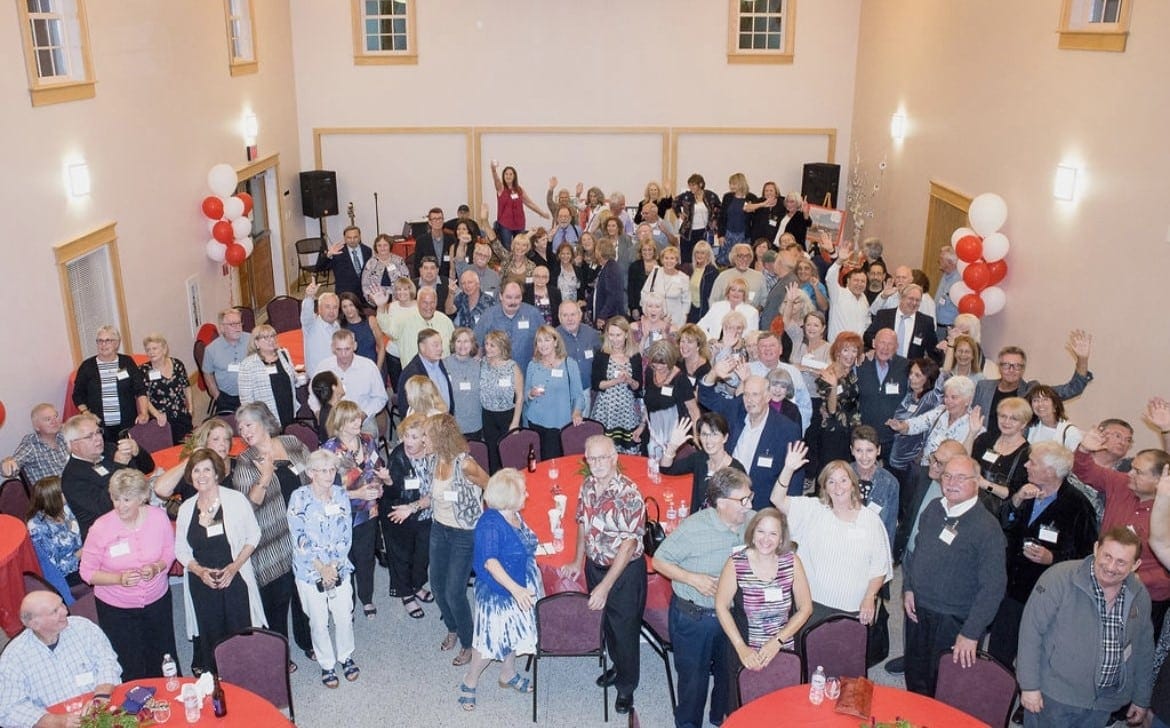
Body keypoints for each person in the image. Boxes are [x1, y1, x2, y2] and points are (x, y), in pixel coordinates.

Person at [652, 467, 758, 728]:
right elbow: (659, 561)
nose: (749, 505)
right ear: (721, 503)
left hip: (731, 617)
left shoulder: (751, 522)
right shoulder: (694, 528)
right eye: (743, 500)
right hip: (694, 618)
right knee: (693, 681)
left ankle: (719, 718)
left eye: (750, 496)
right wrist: (693, 578)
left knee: (728, 675)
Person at [1017, 527, 1153, 727]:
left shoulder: (1139, 594)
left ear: (1135, 565)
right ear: (1096, 548)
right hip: (1054, 697)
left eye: (1121, 562)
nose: (1111, 567)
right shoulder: (1059, 578)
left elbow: (1144, 648)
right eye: (1107, 556)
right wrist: (1029, 686)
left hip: (1103, 704)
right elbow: (1031, 632)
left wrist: (1141, 698)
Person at [901, 454, 1006, 696]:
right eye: (947, 475)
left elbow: (993, 588)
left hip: (954, 619)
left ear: (976, 481)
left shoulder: (987, 528)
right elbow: (916, 551)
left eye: (961, 477)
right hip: (918, 610)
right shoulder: (934, 508)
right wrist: (908, 586)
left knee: (947, 685)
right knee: (916, 675)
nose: (951, 482)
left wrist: (970, 633)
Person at [988, 441, 1098, 668]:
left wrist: (1053, 559)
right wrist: (1016, 500)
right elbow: (1002, 524)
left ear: (1051, 471)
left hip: (1046, 594)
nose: (1026, 465)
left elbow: (1088, 557)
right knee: (999, 650)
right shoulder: (1025, 488)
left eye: (1033, 462)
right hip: (1010, 586)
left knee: (1034, 653)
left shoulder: (1077, 506)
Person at [558, 435, 647, 716]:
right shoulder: (587, 486)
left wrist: (605, 587)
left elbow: (629, 545)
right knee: (607, 624)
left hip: (623, 573)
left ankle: (627, 687)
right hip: (595, 566)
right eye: (591, 458)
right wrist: (576, 560)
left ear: (614, 458)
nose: (596, 464)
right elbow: (583, 523)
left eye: (602, 458)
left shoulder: (629, 494)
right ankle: (617, 667)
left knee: (625, 630)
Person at [771, 450, 893, 634]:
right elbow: (776, 499)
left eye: (843, 480)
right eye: (831, 481)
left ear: (853, 484)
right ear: (824, 487)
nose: (838, 487)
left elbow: (879, 567)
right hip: (810, 605)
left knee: (844, 658)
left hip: (852, 607)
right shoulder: (812, 509)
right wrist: (788, 468)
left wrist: (869, 597)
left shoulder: (871, 521)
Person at [231, 402, 313, 667]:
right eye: (240, 427)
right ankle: (280, 653)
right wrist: (265, 477)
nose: (244, 432)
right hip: (271, 542)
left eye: (248, 424)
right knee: (276, 603)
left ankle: (308, 641)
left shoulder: (291, 442)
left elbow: (312, 470)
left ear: (265, 422)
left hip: (302, 536)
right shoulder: (245, 462)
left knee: (304, 595)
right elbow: (246, 507)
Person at [79, 469, 178, 680]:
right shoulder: (101, 528)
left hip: (157, 600)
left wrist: (157, 567)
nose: (119, 505)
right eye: (115, 498)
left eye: (126, 499)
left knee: (162, 656)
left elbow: (169, 552)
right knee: (130, 661)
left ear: (142, 498)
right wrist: (119, 579)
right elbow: (87, 572)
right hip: (117, 609)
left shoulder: (158, 517)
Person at [174, 448, 266, 674]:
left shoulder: (235, 500)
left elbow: (254, 535)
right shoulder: (186, 509)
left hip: (234, 577)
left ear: (217, 473)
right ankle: (217, 680)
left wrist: (234, 568)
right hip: (202, 582)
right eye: (196, 470)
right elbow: (181, 550)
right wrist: (200, 572)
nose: (201, 475)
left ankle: (245, 678)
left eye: (207, 469)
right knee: (210, 633)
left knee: (240, 631)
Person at [458, 469, 542, 711]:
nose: (527, 493)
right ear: (508, 497)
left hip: (520, 587)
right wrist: (516, 590)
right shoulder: (490, 524)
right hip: (500, 593)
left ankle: (507, 673)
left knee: (513, 634)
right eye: (522, 491)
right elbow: (490, 563)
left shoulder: (512, 514)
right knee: (489, 643)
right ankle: (470, 680)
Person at [714, 507, 813, 711]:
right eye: (761, 531)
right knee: (745, 710)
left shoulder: (792, 562)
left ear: (781, 538)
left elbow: (805, 608)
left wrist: (777, 642)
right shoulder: (736, 563)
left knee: (782, 710)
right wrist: (740, 647)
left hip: (784, 648)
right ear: (752, 532)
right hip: (747, 650)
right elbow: (721, 606)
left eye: (773, 533)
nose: (765, 539)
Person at [1074, 426, 1170, 632]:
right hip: (1101, 585)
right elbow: (1084, 471)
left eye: (1138, 472)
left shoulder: (1166, 513)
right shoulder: (1120, 483)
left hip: (1145, 597)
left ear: (1159, 480)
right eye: (1132, 467)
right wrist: (1084, 449)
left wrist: (1138, 578)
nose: (1130, 473)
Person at [286, 449, 360, 688]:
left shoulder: (340, 495)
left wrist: (334, 565)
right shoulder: (299, 498)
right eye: (322, 471)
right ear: (310, 473)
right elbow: (298, 537)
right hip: (309, 571)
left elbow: (346, 534)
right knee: (318, 622)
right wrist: (321, 567)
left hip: (339, 567)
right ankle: (327, 664)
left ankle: (346, 656)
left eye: (332, 470)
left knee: (343, 617)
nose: (329, 475)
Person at [0, 591, 121, 728]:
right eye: (55, 611)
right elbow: (9, 709)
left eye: (62, 604)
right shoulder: (14, 657)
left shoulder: (84, 628)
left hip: (101, 713)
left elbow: (107, 662)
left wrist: (100, 698)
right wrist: (55, 721)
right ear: (35, 624)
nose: (65, 611)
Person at [427, 413, 490, 668]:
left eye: (428, 437)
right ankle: (452, 626)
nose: (424, 441)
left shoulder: (466, 464)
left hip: (464, 533)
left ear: (441, 439)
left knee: (455, 592)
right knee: (437, 586)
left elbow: (491, 485)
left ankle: (467, 642)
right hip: (439, 529)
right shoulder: (434, 459)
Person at [698, 363, 804, 509]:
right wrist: (713, 373)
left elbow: (794, 477)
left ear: (768, 397)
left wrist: (789, 512)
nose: (749, 400)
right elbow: (706, 397)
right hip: (726, 500)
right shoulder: (736, 410)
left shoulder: (787, 430)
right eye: (746, 394)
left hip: (761, 505)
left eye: (755, 395)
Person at [321, 400, 388, 620]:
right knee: (343, 558)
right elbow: (324, 491)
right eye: (352, 419)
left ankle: (366, 598)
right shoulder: (329, 450)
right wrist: (357, 494)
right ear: (340, 423)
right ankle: (345, 603)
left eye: (359, 417)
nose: (359, 421)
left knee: (365, 556)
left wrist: (379, 487)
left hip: (368, 511)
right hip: (341, 513)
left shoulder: (368, 440)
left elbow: (377, 469)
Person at [972, 332, 1093, 440]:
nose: (1011, 370)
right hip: (982, 445)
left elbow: (1072, 389)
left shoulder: (1031, 391)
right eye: (1006, 365)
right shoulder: (984, 387)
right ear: (999, 366)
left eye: (1017, 366)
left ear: (1023, 369)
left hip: (1014, 454)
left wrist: (1082, 360)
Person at [60, 412, 155, 540]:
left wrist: (137, 450)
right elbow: (107, 506)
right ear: (73, 445)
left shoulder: (110, 449)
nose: (98, 438)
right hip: (108, 535)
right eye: (89, 436)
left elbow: (148, 468)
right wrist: (119, 466)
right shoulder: (72, 477)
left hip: (140, 516)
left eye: (98, 432)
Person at [380, 413, 433, 619]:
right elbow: (392, 495)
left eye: (413, 437)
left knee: (422, 556)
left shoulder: (432, 454)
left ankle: (417, 585)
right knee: (402, 556)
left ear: (424, 438)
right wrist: (388, 482)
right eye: (405, 436)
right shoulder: (398, 457)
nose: (407, 442)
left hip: (426, 513)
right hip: (399, 514)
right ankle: (406, 594)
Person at [71, 325, 149, 443]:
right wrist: (86, 413)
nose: (103, 344)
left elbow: (140, 389)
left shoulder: (127, 362)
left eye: (108, 341)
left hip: (127, 424)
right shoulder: (87, 366)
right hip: (100, 427)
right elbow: (77, 395)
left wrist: (144, 413)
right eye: (100, 341)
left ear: (117, 343)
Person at [311, 329, 388, 436]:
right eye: (339, 349)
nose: (343, 354)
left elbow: (380, 397)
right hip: (333, 423)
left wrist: (364, 414)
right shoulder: (323, 367)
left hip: (363, 422)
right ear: (333, 348)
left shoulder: (369, 367)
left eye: (347, 349)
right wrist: (319, 413)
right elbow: (313, 395)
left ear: (355, 346)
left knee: (368, 441)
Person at [661, 414, 747, 511]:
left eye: (714, 434)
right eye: (704, 434)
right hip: (697, 521)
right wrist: (672, 447)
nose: (708, 440)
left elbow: (741, 508)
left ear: (725, 438)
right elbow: (666, 469)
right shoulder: (699, 459)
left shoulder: (736, 470)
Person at [524, 326, 584, 458]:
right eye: (539, 341)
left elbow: (579, 396)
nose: (543, 344)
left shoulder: (570, 364)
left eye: (547, 340)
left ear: (555, 342)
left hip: (560, 423)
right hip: (535, 421)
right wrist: (531, 394)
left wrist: (577, 412)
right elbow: (525, 394)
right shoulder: (533, 365)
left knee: (554, 463)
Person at [25, 476, 84, 601]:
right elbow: (55, 570)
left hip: (85, 556)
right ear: (53, 498)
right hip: (69, 573)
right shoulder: (37, 528)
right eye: (64, 491)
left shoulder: (66, 508)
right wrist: (79, 555)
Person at [152, 416, 236, 503]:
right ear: (204, 444)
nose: (222, 444)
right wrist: (189, 460)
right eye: (216, 439)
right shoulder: (194, 470)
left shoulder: (238, 466)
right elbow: (160, 489)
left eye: (226, 439)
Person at [591, 317, 644, 454]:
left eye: (618, 335)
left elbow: (638, 386)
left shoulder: (635, 356)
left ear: (626, 334)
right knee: (605, 450)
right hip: (606, 410)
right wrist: (616, 381)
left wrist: (629, 380)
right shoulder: (602, 355)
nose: (615, 339)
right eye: (611, 335)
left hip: (628, 411)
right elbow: (597, 384)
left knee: (628, 451)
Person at [970, 396, 1033, 507]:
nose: (1006, 422)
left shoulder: (1027, 454)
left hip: (995, 512)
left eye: (1014, 419)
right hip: (970, 498)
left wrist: (986, 485)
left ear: (1023, 424)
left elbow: (1013, 494)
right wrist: (972, 433)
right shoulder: (986, 439)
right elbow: (964, 459)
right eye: (1003, 416)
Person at [643, 339, 700, 456]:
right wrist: (642, 425)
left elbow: (694, 411)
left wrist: (696, 436)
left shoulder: (681, 380)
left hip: (674, 437)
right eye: (655, 363)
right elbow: (648, 403)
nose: (658, 367)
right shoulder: (649, 372)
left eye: (663, 363)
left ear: (671, 361)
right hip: (653, 433)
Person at [815, 331, 864, 464]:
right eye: (845, 350)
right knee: (831, 471)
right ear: (837, 352)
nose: (850, 355)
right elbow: (831, 410)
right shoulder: (827, 375)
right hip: (834, 431)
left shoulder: (851, 372)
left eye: (854, 351)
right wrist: (834, 385)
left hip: (853, 429)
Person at [237, 323, 298, 427]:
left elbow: (293, 378)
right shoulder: (247, 365)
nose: (271, 340)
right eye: (265, 337)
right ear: (256, 343)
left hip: (288, 409)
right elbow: (246, 400)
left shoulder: (283, 354)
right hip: (265, 418)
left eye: (273, 336)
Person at [475, 279, 543, 372]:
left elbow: (547, 341)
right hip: (495, 375)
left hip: (527, 373)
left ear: (522, 297)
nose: (513, 302)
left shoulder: (533, 314)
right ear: (500, 296)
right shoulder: (488, 316)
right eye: (509, 297)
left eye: (517, 297)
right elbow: (477, 345)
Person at [479, 330, 523, 471]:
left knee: (509, 455)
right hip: (488, 416)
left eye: (493, 345)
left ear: (502, 347)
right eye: (486, 344)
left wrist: (515, 422)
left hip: (508, 415)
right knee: (492, 456)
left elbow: (520, 395)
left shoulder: (512, 366)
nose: (488, 348)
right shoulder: (482, 363)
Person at [139, 332, 193, 444]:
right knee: (167, 449)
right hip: (160, 418)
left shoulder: (177, 364)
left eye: (154, 348)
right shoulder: (144, 370)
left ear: (164, 349)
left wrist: (191, 408)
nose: (151, 352)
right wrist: (157, 415)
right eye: (148, 349)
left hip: (181, 412)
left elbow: (186, 386)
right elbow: (144, 398)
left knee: (187, 447)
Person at [1, 403, 69, 483]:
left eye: (56, 416)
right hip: (51, 493)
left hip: (74, 488)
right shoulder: (32, 444)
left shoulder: (64, 436)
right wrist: (7, 464)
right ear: (37, 427)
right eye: (48, 419)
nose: (54, 421)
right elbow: (14, 463)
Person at [203, 308, 252, 413]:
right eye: (232, 324)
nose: (237, 327)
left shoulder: (251, 340)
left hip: (252, 393)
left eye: (239, 323)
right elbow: (207, 374)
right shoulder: (211, 349)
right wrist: (217, 396)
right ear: (222, 328)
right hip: (226, 397)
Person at [490, 161, 547, 247]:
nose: (508, 176)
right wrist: (493, 170)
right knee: (507, 247)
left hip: (519, 223)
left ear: (514, 176)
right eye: (506, 174)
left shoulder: (519, 190)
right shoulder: (501, 188)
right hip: (505, 224)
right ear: (503, 176)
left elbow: (529, 203)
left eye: (510, 174)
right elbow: (496, 179)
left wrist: (541, 213)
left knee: (521, 245)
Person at [398, 329, 454, 414]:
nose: (441, 349)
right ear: (422, 347)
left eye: (441, 344)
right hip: (427, 425)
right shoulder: (411, 373)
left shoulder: (439, 363)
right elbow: (405, 407)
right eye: (435, 345)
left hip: (445, 422)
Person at [673, 173, 721, 264]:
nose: (691, 188)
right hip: (688, 232)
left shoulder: (710, 196)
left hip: (704, 231)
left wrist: (714, 220)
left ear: (701, 184)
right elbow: (675, 203)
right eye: (690, 185)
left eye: (693, 185)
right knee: (687, 259)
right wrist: (679, 213)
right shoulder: (687, 196)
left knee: (703, 257)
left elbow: (719, 207)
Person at [445, 328, 484, 439]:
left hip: (475, 423)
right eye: (458, 341)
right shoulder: (444, 364)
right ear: (453, 344)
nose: (462, 345)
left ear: (472, 344)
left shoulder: (480, 365)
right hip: (453, 425)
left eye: (466, 341)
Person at [318, 225, 372, 300]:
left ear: (360, 237)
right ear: (344, 238)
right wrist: (328, 255)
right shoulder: (337, 252)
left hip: (364, 293)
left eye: (355, 237)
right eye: (349, 237)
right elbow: (320, 268)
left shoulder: (367, 250)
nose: (352, 240)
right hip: (345, 294)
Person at [641, 245, 690, 327]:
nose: (669, 261)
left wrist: (682, 321)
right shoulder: (655, 272)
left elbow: (686, 302)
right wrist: (647, 312)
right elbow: (645, 293)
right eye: (666, 258)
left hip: (675, 321)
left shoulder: (684, 278)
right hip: (655, 319)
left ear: (677, 261)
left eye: (672, 258)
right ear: (662, 260)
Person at [300, 280, 341, 374]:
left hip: (336, 376)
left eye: (335, 307)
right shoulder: (311, 325)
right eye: (327, 307)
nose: (331, 311)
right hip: (318, 379)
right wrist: (309, 297)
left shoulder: (337, 325)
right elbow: (306, 314)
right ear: (319, 308)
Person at [1026, 384, 1083, 451]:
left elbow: (1078, 459)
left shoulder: (1070, 432)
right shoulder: (1031, 428)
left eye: (1045, 400)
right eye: (1035, 400)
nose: (1040, 404)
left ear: (1055, 405)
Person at [339, 291, 386, 372]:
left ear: (356, 306)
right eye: (344, 307)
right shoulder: (340, 327)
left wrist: (377, 369)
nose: (348, 309)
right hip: (354, 370)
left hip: (375, 366)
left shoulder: (371, 321)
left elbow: (381, 347)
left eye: (351, 305)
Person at [360, 233, 411, 307]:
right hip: (377, 299)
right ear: (375, 247)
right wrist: (372, 298)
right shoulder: (371, 263)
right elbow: (365, 285)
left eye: (385, 245)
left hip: (398, 299)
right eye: (379, 245)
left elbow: (407, 281)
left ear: (390, 246)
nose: (382, 248)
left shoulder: (399, 261)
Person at [590, 237, 626, 329]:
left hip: (610, 318)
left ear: (600, 251)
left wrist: (603, 316)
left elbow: (613, 295)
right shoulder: (606, 267)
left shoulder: (611, 269)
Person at [414, 208, 458, 276]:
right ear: (429, 222)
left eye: (440, 218)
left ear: (443, 220)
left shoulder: (451, 239)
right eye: (434, 219)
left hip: (447, 279)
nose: (438, 221)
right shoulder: (421, 241)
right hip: (428, 279)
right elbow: (417, 265)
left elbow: (455, 263)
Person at [627, 236, 659, 320]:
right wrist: (633, 308)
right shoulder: (634, 266)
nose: (647, 252)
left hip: (657, 308)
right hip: (639, 308)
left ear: (654, 251)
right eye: (644, 250)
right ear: (640, 252)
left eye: (650, 249)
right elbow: (631, 289)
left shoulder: (661, 266)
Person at [687, 241, 718, 323]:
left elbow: (713, 295)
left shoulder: (712, 271)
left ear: (708, 255)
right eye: (697, 252)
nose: (699, 255)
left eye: (702, 253)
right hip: (691, 310)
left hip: (704, 311)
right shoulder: (690, 269)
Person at [309, 371, 344, 437]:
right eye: (339, 381)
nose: (342, 383)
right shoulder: (335, 415)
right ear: (334, 387)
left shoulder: (325, 410)